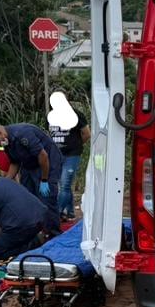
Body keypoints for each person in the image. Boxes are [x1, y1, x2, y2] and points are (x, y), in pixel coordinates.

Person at [0, 171, 58, 270]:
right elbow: (2, 221)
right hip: (41, 216)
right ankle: (34, 239)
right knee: (0, 243)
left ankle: (34, 244)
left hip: (22, 224)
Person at [0, 122, 63, 220]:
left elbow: (43, 156)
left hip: (48, 162)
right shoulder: (6, 142)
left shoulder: (22, 133)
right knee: (28, 197)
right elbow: (15, 162)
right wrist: (5, 182)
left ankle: (53, 232)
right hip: (29, 165)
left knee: (46, 199)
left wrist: (44, 180)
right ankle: (35, 228)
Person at [48, 93, 90, 221]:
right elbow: (50, 133)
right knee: (63, 185)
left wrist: (76, 145)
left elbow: (86, 133)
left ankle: (57, 213)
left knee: (65, 185)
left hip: (72, 155)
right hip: (57, 155)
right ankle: (71, 213)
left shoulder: (76, 115)